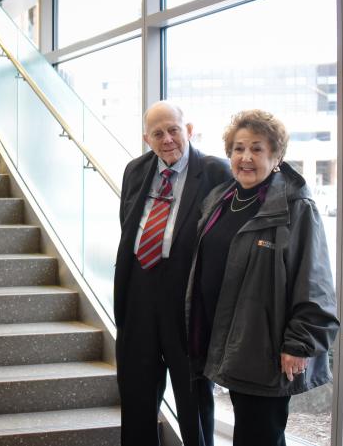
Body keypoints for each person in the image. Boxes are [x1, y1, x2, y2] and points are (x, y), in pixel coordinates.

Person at [185, 109, 338, 446]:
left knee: (259, 436)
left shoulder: (295, 207)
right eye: (239, 149)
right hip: (223, 341)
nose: (246, 158)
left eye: (257, 148)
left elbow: (315, 282)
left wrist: (299, 343)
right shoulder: (220, 200)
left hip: (265, 347)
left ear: (276, 155)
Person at [115, 101, 231, 446]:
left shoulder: (215, 172)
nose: (167, 139)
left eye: (173, 130)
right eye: (158, 133)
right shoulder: (135, 170)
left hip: (186, 299)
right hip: (138, 292)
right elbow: (128, 225)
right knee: (136, 393)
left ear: (189, 130)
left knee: (193, 397)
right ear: (146, 138)